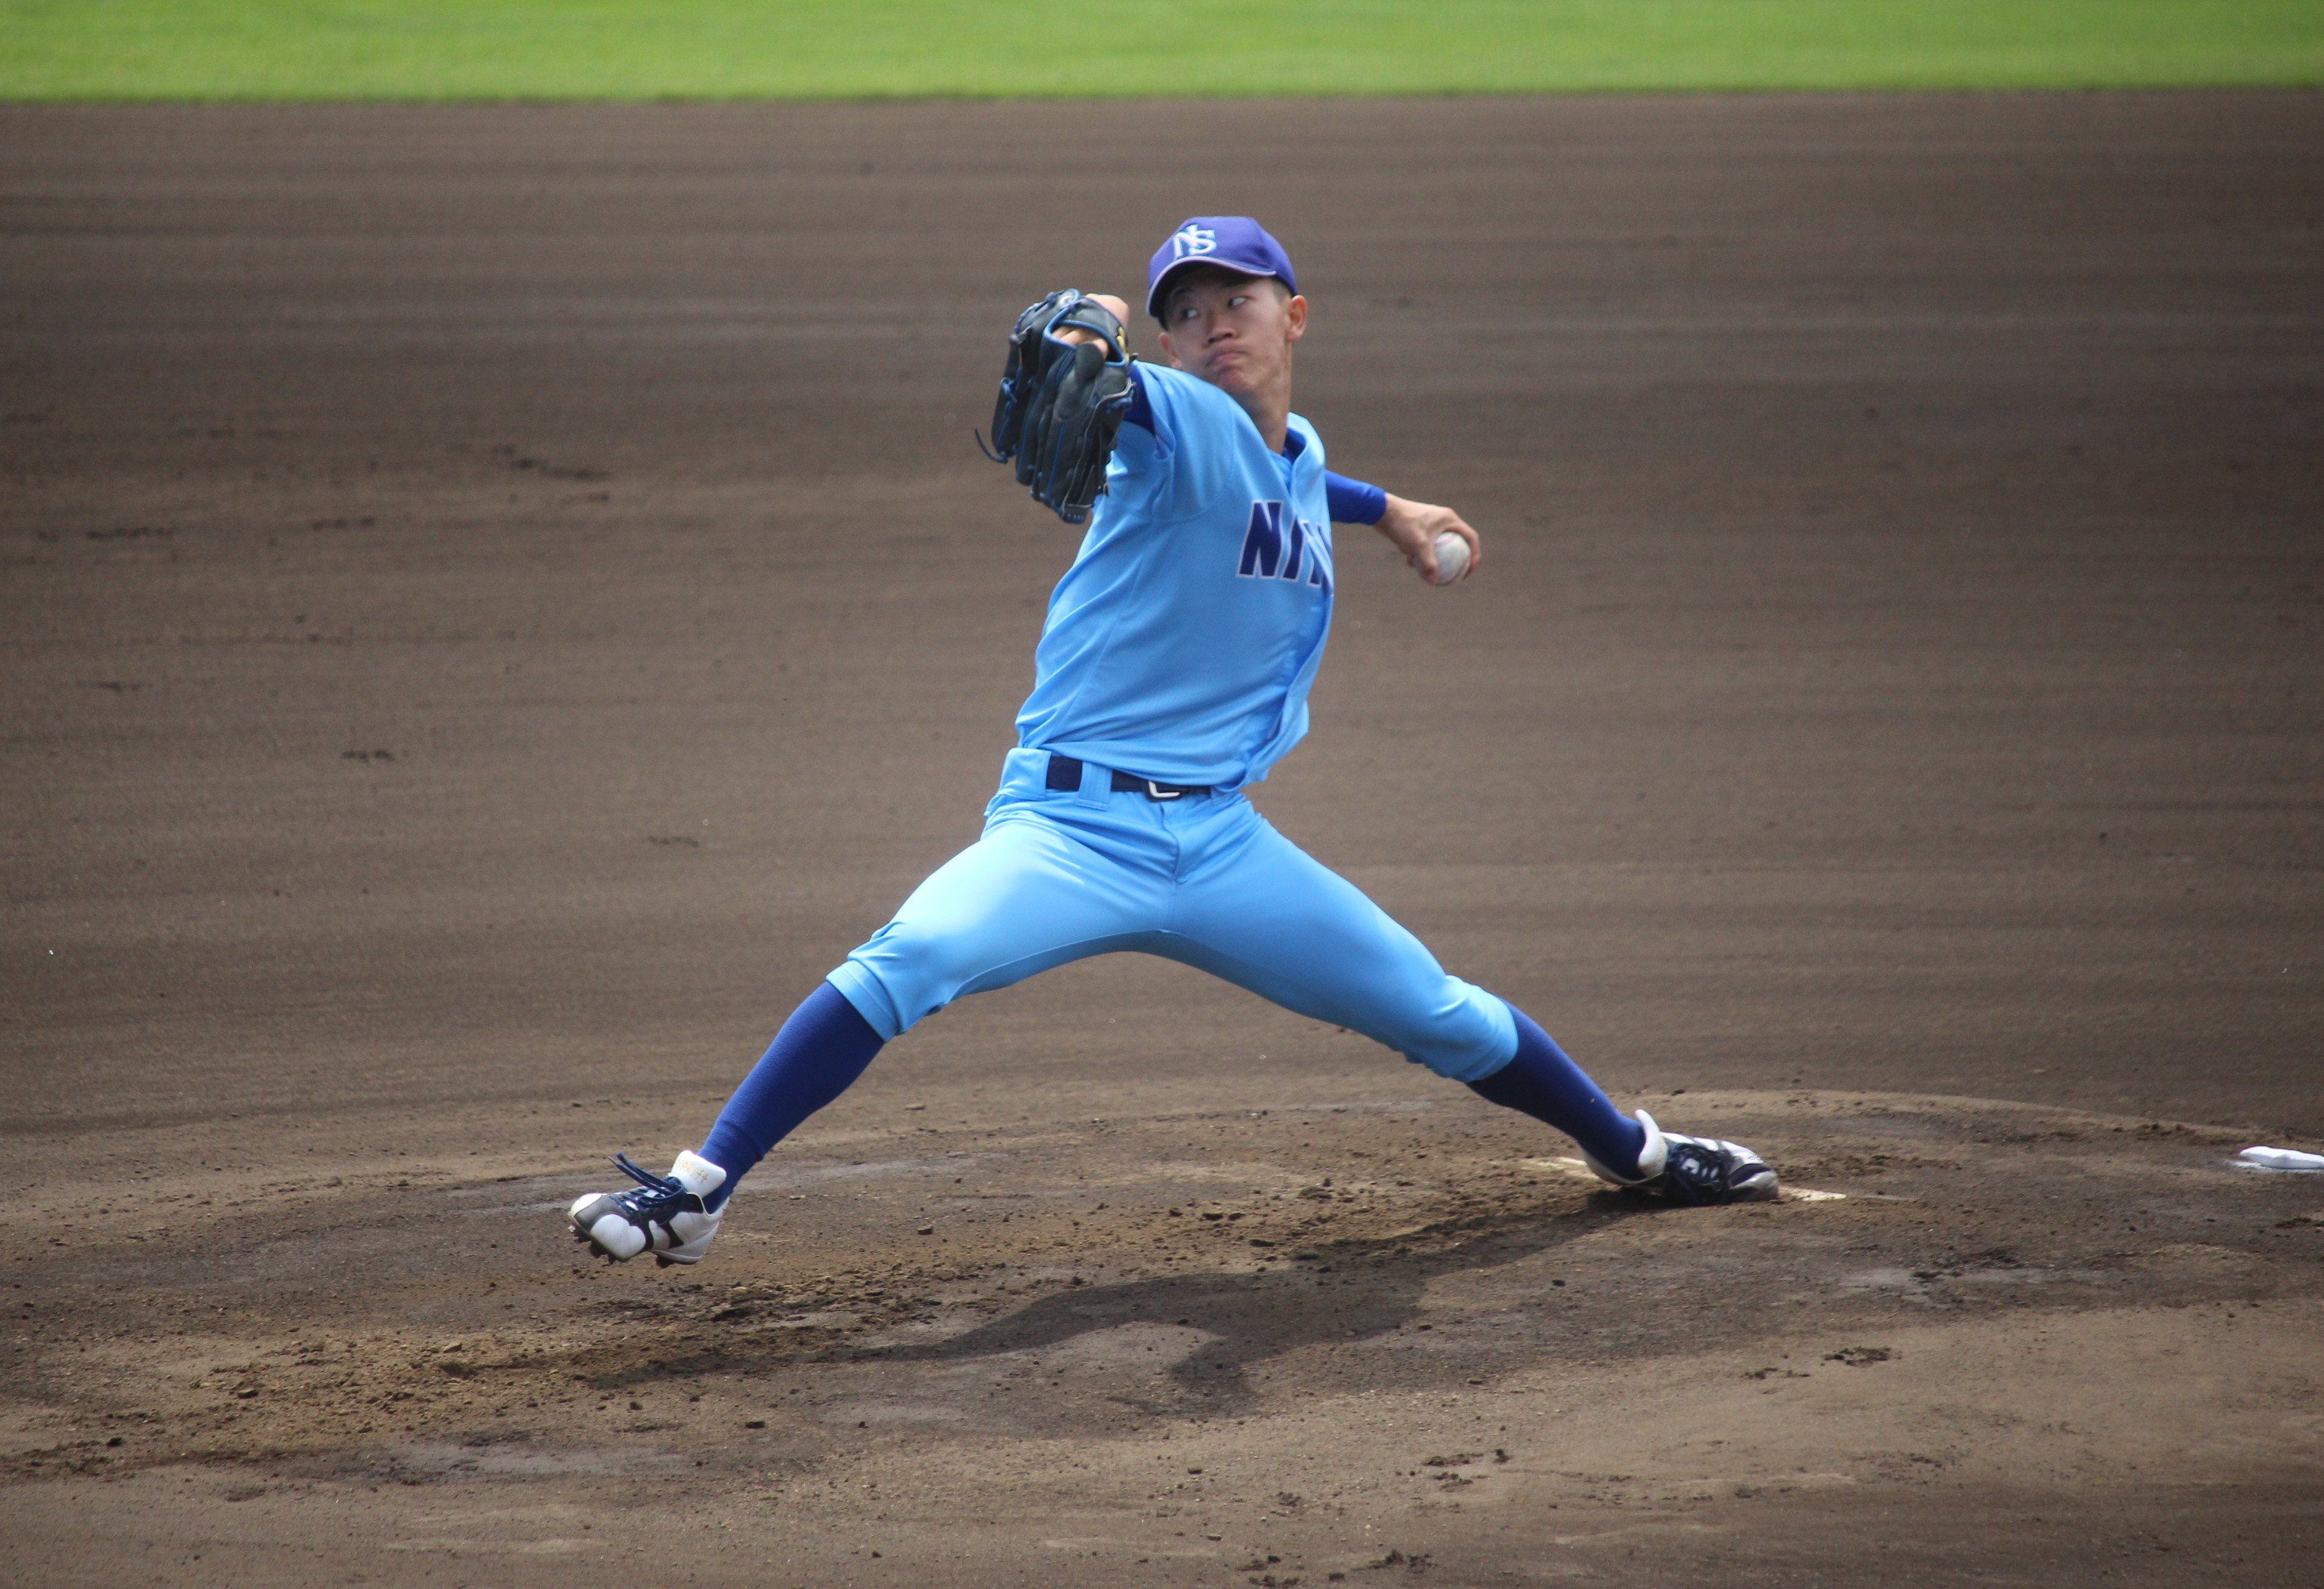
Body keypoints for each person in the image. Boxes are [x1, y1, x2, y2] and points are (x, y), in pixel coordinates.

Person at [570, 217, 1776, 1268]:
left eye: (1236, 301)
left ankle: (1636, 1153)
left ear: (1294, 314)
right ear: (1170, 343)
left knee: (1439, 1010)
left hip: (1221, 844)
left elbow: (1290, 474)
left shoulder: (1290, 453)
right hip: (1070, 831)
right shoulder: (1173, 416)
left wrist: (1390, 510)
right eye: (1186, 314)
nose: (1213, 326)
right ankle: (699, 1190)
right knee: (912, 956)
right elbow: (1102, 370)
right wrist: (1092, 323)